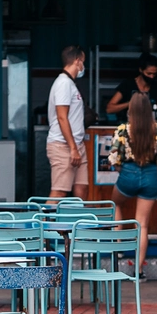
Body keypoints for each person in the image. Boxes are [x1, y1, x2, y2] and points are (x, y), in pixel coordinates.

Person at [109, 93, 157, 281]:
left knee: (115, 204)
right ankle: (138, 272)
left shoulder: (123, 130)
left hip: (128, 174)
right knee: (142, 224)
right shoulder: (156, 129)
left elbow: (114, 158)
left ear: (131, 110)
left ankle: (117, 251)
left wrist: (122, 168)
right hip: (150, 175)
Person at [47, 45, 88, 199]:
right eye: (83, 61)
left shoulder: (70, 84)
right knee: (59, 192)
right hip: (63, 145)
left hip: (77, 145)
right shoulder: (63, 83)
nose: (83, 66)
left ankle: (75, 222)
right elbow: (62, 117)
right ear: (77, 61)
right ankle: (43, 222)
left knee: (81, 191)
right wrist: (72, 148)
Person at [106, 53, 157, 122]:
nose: (152, 77)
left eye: (154, 74)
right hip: (129, 125)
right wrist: (131, 103)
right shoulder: (127, 85)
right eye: (148, 73)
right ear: (141, 70)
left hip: (150, 127)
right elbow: (109, 109)